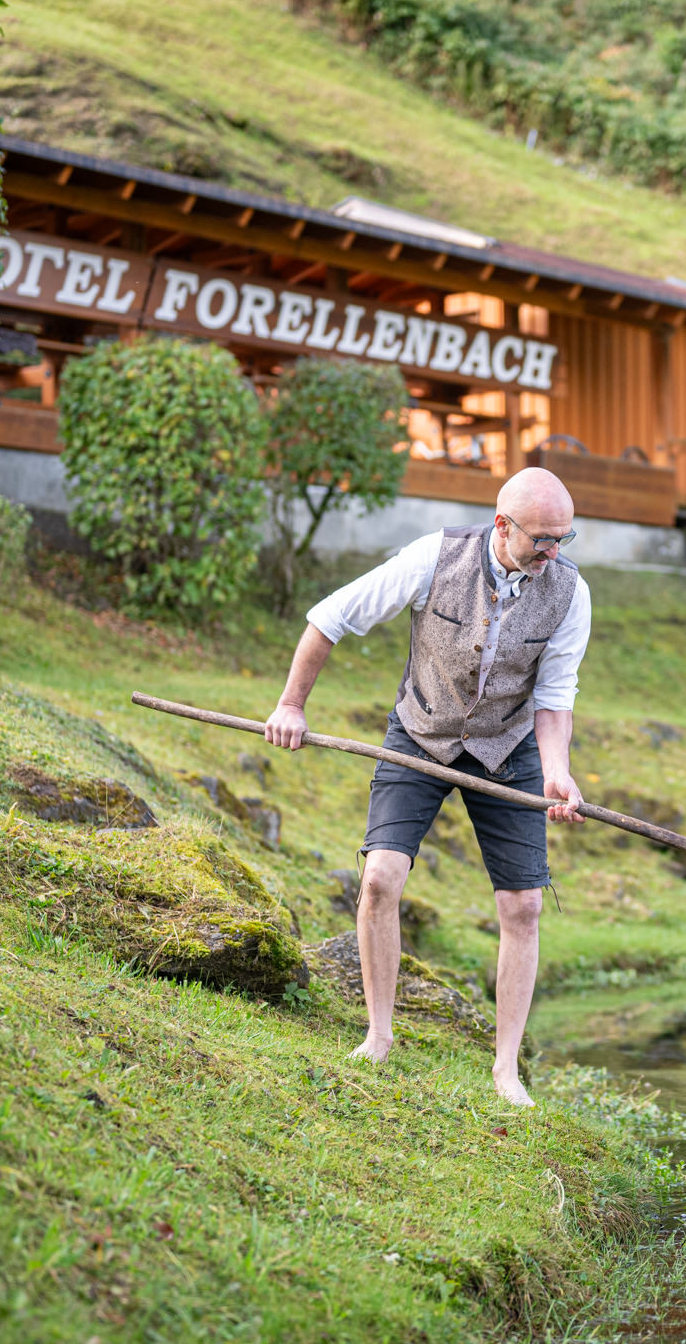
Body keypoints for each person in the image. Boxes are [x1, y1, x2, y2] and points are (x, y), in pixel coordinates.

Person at [262, 467, 589, 1106]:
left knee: (522, 906)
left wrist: (556, 771)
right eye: (542, 539)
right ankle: (379, 1038)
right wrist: (291, 705)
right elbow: (332, 617)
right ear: (503, 525)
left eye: (563, 538)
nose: (553, 551)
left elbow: (554, 696)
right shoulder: (432, 558)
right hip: (422, 732)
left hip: (509, 747)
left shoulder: (570, 593)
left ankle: (505, 1071)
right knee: (381, 877)